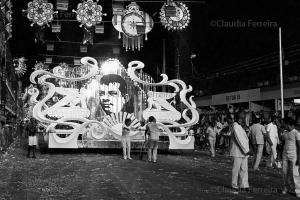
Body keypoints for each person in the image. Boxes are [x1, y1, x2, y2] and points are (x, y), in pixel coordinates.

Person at [230, 113, 250, 193]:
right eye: (243, 118)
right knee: (236, 169)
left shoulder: (239, 126)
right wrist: (245, 150)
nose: (244, 119)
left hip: (243, 151)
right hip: (238, 151)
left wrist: (246, 150)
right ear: (239, 118)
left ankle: (244, 185)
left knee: (244, 169)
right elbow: (239, 140)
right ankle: (234, 185)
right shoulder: (235, 126)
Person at [282, 117, 300, 197]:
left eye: (284, 124)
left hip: (294, 155)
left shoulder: (296, 133)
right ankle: (286, 187)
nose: (283, 125)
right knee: (285, 172)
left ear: (287, 124)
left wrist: (299, 158)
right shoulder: (285, 132)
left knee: (295, 174)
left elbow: (299, 146)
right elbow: (283, 144)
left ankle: (298, 191)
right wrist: (279, 155)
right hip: (285, 154)